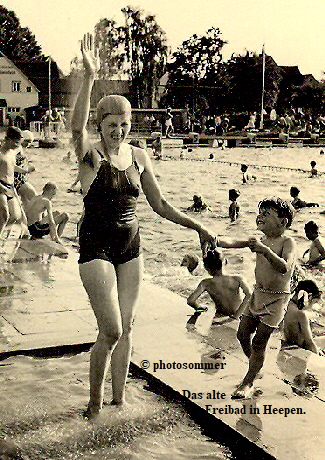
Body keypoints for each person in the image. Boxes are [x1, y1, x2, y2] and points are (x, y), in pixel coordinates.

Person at [70, 33, 216, 419]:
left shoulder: (139, 155)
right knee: (112, 330)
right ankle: (94, 401)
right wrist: (89, 77)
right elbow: (74, 127)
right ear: (100, 126)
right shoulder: (90, 156)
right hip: (96, 247)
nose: (118, 130)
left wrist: (197, 225)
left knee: (129, 328)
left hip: (130, 245)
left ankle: (118, 401)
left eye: (124, 123)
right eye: (111, 124)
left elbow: (160, 204)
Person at [217, 197, 296, 398]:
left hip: (276, 300)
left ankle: (248, 382)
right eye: (259, 213)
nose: (259, 217)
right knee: (242, 334)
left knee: (260, 341)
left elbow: (284, 267)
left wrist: (265, 250)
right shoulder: (260, 240)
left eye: (266, 214)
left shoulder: (288, 242)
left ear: (283, 222)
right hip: (258, 294)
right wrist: (214, 240)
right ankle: (255, 364)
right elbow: (234, 242)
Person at [187, 249, 251, 318]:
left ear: (205, 267)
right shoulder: (238, 278)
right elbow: (249, 295)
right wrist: (236, 316)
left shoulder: (206, 283)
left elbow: (190, 300)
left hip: (221, 314)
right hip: (240, 313)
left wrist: (198, 307)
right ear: (225, 262)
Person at [0, 126, 27, 238]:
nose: (18, 145)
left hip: (10, 186)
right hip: (0, 185)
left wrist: (23, 170)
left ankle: (2, 235)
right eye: (16, 142)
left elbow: (10, 166)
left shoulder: (13, 151)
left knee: (16, 216)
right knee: (4, 214)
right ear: (8, 139)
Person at [282, 280, 322, 354]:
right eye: (314, 302)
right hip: (299, 349)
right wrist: (318, 356)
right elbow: (310, 342)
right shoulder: (301, 314)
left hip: (288, 344)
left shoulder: (286, 305)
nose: (312, 307)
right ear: (309, 297)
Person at [14, 130, 37, 209]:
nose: (28, 144)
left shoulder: (21, 149)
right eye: (26, 141)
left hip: (20, 179)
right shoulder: (17, 149)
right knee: (33, 195)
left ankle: (28, 218)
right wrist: (26, 170)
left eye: (30, 142)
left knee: (25, 201)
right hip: (17, 180)